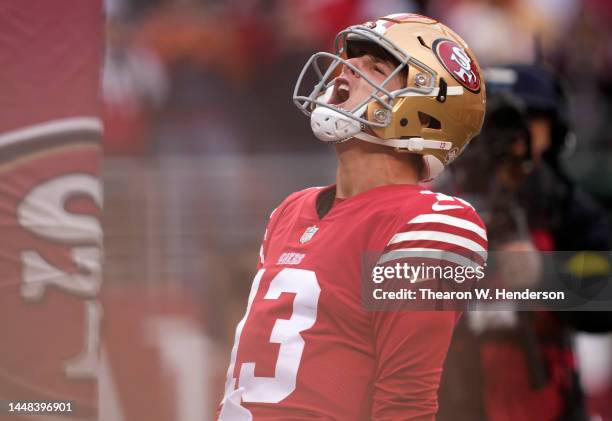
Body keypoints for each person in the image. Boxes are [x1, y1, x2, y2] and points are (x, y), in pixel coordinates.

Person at [218, 13, 488, 420]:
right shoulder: (291, 210)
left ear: (425, 116)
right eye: (352, 60)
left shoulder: (428, 222)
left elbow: (405, 405)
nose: (347, 69)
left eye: (377, 67)